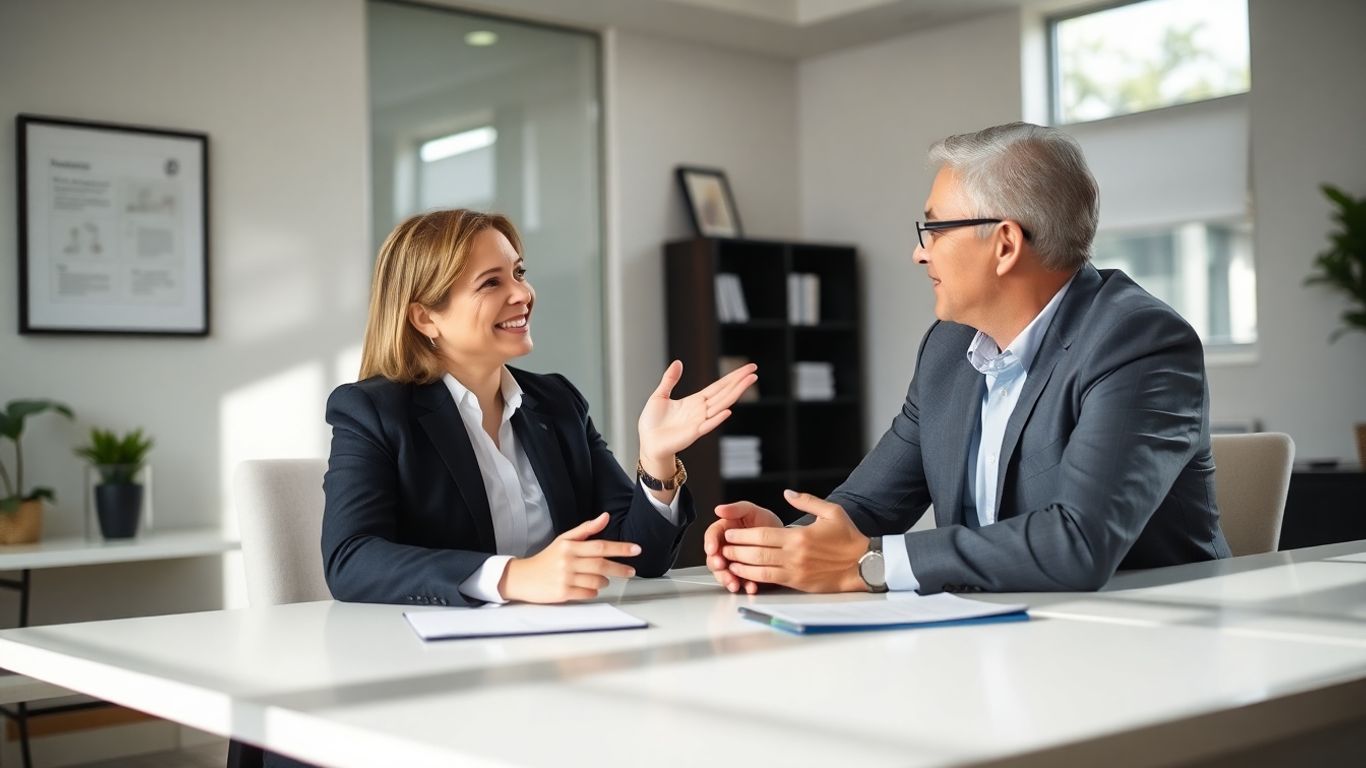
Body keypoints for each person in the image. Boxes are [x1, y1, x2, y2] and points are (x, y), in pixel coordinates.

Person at [705, 122, 1230, 596]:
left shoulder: (1137, 341)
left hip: (1141, 643)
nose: (919, 252)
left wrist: (871, 564)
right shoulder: (948, 348)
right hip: (986, 634)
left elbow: (1079, 542)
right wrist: (785, 548)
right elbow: (870, 506)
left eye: (933, 229)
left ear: (1004, 244)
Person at [323, 208, 756, 606]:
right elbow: (351, 559)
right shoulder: (371, 411)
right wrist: (513, 576)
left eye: (518, 272)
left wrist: (656, 458)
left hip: (562, 646)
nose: (523, 293)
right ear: (424, 318)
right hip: (436, 660)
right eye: (491, 282)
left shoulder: (557, 402)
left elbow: (639, 556)